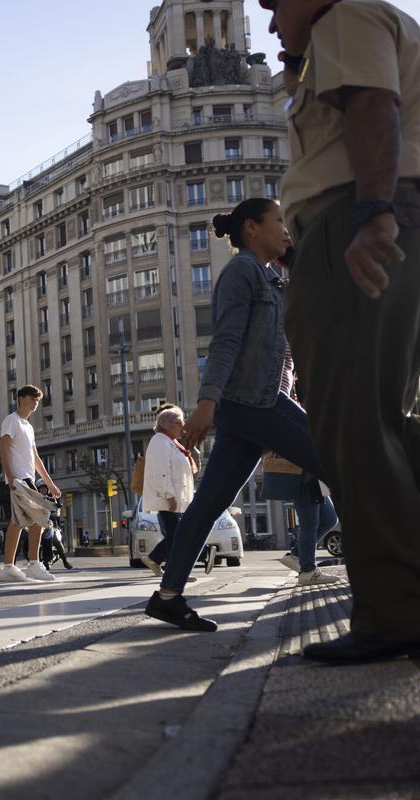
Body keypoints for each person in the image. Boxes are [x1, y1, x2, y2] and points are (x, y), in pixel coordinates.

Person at [261, 0, 420, 662]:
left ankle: (393, 613)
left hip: (356, 219)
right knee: (389, 417)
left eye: (273, 3)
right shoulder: (372, 20)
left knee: (354, 422)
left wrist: (373, 214)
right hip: (373, 213)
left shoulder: (344, 16)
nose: (270, 20)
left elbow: (372, 107)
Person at [145, 199, 331, 633]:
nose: (286, 230)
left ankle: (168, 597)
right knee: (339, 462)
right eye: (278, 221)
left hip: (253, 405)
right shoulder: (243, 272)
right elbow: (226, 341)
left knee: (210, 502)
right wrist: (208, 402)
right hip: (255, 402)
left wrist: (293, 263)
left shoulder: (270, 276)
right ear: (251, 227)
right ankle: (392, 580)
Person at [0, 385, 61, 583]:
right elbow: (4, 449)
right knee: (39, 516)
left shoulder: (28, 426)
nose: (35, 404)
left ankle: (9, 567)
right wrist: (10, 477)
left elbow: (35, 458)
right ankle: (33, 563)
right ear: (21, 398)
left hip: (27, 478)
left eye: (37, 401)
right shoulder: (12, 421)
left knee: (18, 522)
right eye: (33, 399)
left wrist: (50, 484)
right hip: (19, 479)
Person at [139, 406, 197, 577]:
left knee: (176, 534)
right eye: (180, 422)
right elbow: (161, 472)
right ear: (169, 424)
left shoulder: (171, 443)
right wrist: (169, 496)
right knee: (177, 535)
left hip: (177, 499)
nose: (184, 425)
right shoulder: (160, 442)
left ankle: (155, 560)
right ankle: (174, 571)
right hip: (168, 499)